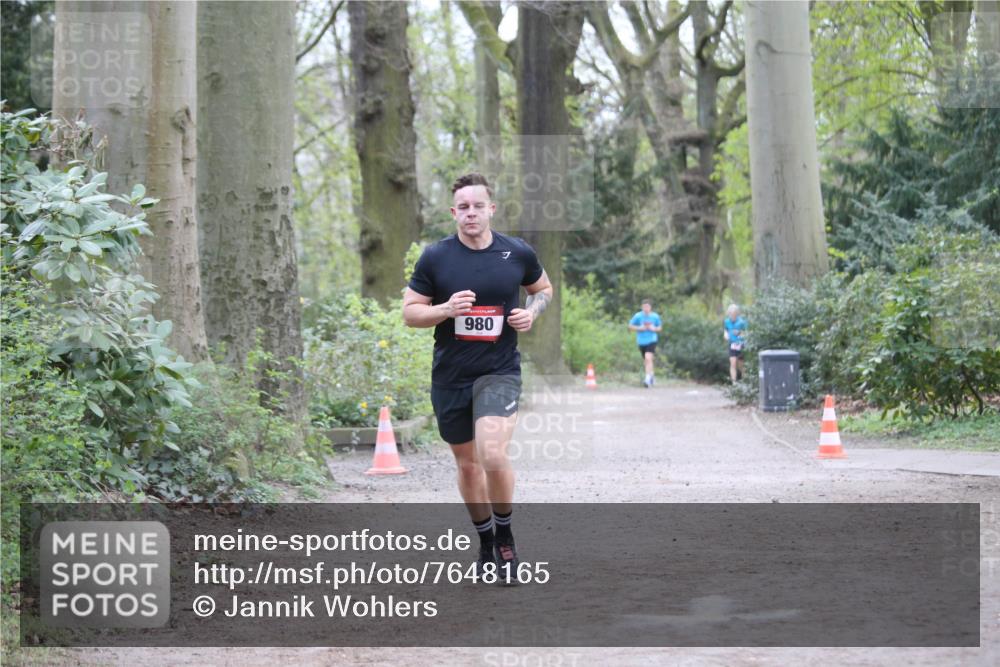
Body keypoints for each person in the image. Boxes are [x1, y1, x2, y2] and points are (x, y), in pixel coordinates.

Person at [402, 172, 553, 584]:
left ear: (491, 209)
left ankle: (505, 537)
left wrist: (531, 313)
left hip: (498, 372)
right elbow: (410, 313)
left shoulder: (516, 252)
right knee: (468, 467)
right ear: (454, 213)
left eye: (478, 206)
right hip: (451, 376)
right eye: (463, 207)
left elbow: (543, 289)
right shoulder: (436, 258)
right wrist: (445, 310)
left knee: (492, 453)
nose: (471, 213)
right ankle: (485, 541)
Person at [628, 299, 662, 387]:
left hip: (652, 340)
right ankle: (652, 376)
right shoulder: (638, 316)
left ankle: (647, 380)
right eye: (644, 307)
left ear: (650, 307)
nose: (646, 309)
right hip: (641, 341)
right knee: (647, 360)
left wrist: (654, 328)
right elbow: (630, 326)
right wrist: (640, 328)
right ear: (642, 307)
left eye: (647, 307)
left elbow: (660, 328)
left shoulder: (655, 316)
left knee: (648, 357)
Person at [723, 304, 748, 383]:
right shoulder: (726, 321)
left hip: (741, 344)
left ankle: (745, 382)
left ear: (737, 314)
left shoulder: (742, 322)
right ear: (729, 314)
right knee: (733, 363)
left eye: (734, 314)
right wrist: (726, 335)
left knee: (741, 365)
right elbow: (726, 330)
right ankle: (734, 383)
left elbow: (747, 333)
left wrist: (739, 333)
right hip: (732, 344)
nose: (732, 316)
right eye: (731, 314)